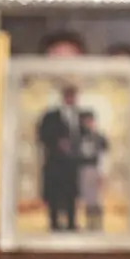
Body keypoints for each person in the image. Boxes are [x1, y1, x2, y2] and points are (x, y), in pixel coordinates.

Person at [37, 85, 83, 231]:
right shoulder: (50, 116)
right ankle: (54, 223)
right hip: (55, 162)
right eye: (69, 96)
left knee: (71, 193)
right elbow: (42, 135)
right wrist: (57, 143)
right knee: (54, 193)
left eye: (74, 96)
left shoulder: (80, 116)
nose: (72, 99)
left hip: (72, 163)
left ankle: (71, 222)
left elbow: (85, 136)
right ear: (64, 97)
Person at [75, 109, 110, 231]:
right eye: (85, 121)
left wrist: (102, 172)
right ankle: (83, 222)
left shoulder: (99, 137)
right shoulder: (77, 137)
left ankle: (95, 223)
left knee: (94, 199)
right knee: (82, 198)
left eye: (90, 121)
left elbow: (104, 156)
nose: (88, 124)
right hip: (80, 169)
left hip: (93, 169)